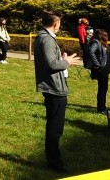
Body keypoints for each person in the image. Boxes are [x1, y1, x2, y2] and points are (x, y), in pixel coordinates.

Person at [33, 10, 79, 172]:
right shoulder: (47, 40)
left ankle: (53, 158)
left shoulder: (44, 38)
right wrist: (66, 61)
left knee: (54, 125)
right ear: (55, 23)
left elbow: (51, 61)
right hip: (54, 88)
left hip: (53, 86)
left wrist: (61, 59)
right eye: (59, 23)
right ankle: (54, 161)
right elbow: (52, 65)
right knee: (55, 127)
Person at [86, 29, 110, 113]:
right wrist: (97, 64)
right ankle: (101, 108)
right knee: (102, 88)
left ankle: (102, 106)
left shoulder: (101, 43)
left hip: (105, 68)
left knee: (103, 88)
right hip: (102, 68)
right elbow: (91, 51)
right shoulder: (96, 42)